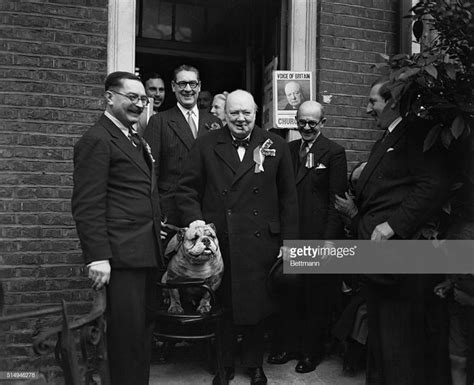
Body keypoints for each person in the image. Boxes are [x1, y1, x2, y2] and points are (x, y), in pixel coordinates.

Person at [176, 90, 299, 385]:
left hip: (261, 242)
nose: (241, 119)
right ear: (224, 115)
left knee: (257, 306)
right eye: (234, 113)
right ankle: (224, 364)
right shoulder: (206, 144)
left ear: (256, 113)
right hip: (219, 241)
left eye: (246, 113)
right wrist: (196, 221)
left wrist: (290, 242)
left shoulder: (277, 145)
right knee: (223, 305)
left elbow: (289, 198)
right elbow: (186, 189)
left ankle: (254, 364)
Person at [354, 76, 450, 385]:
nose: (367, 109)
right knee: (380, 340)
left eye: (373, 102)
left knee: (398, 342)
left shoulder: (414, 133)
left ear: (393, 102)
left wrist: (393, 224)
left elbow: (433, 184)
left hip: (398, 258)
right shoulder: (386, 138)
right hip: (376, 260)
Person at [71, 71, 164, 385]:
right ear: (110, 97)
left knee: (140, 335)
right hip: (121, 257)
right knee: (125, 340)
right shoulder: (97, 139)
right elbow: (87, 204)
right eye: (132, 98)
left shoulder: (133, 137)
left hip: (144, 253)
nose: (139, 104)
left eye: (143, 99)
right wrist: (97, 257)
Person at [268, 101, 347, 373]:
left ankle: (311, 352)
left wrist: (328, 240)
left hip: (318, 237)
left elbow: (336, 201)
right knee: (291, 294)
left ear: (323, 123)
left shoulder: (335, 153)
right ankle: (291, 346)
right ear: (296, 121)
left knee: (316, 297)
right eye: (302, 122)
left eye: (313, 123)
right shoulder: (288, 150)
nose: (307, 127)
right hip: (292, 234)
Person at [143, 64, 222, 227]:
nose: (188, 89)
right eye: (182, 84)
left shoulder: (214, 122)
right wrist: (154, 215)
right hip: (171, 212)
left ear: (199, 86)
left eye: (192, 84)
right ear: (173, 86)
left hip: (208, 210)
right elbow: (151, 173)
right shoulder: (159, 121)